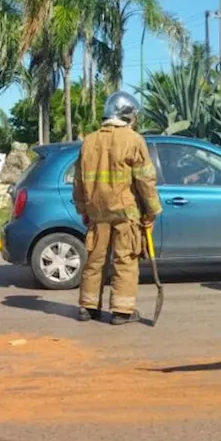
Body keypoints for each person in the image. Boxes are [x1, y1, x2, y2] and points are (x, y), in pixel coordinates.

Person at [73, 91, 162, 325]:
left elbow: (78, 181)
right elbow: (145, 180)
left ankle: (88, 306)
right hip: (126, 213)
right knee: (125, 260)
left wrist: (83, 209)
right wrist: (152, 211)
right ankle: (122, 311)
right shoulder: (133, 140)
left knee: (95, 259)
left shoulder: (89, 141)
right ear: (126, 114)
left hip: (97, 213)